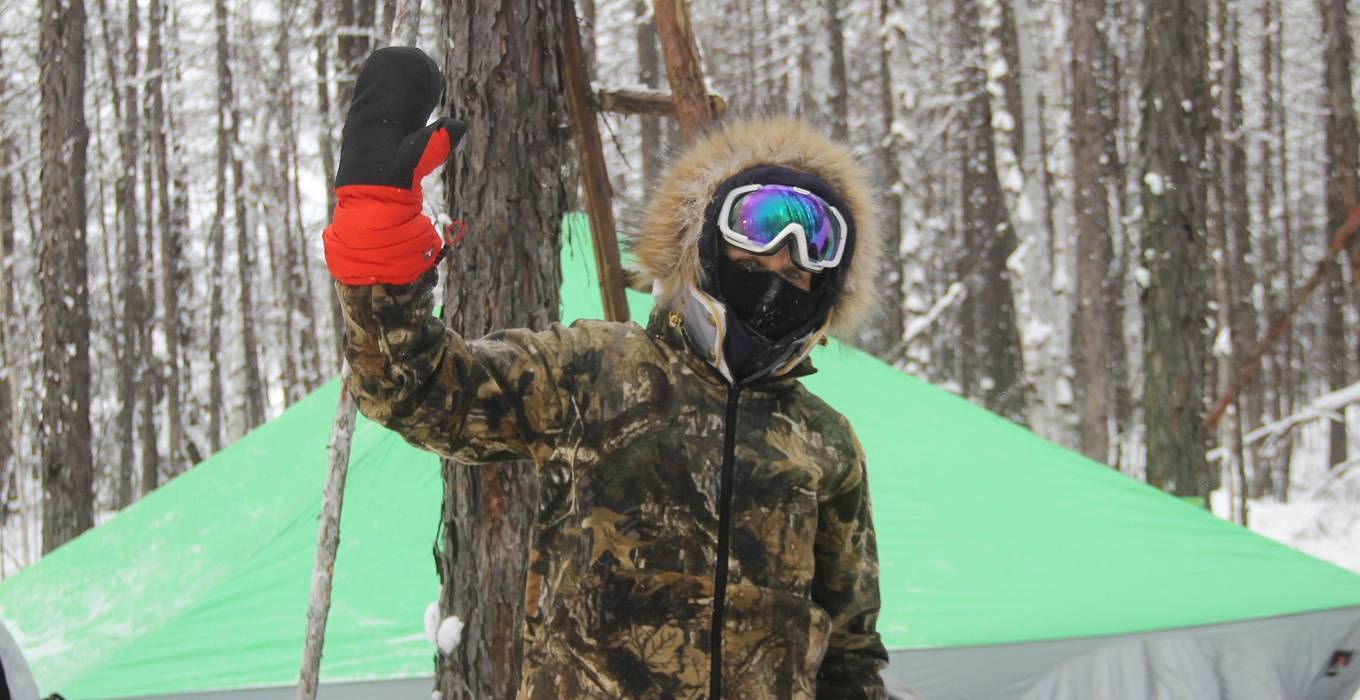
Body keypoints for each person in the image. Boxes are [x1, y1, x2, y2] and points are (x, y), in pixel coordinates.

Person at [324, 47, 888, 700]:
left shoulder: (824, 442)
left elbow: (849, 651)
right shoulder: (599, 372)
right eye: (760, 222)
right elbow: (419, 391)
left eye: (813, 246)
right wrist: (379, 266)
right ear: (707, 236)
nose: (784, 257)